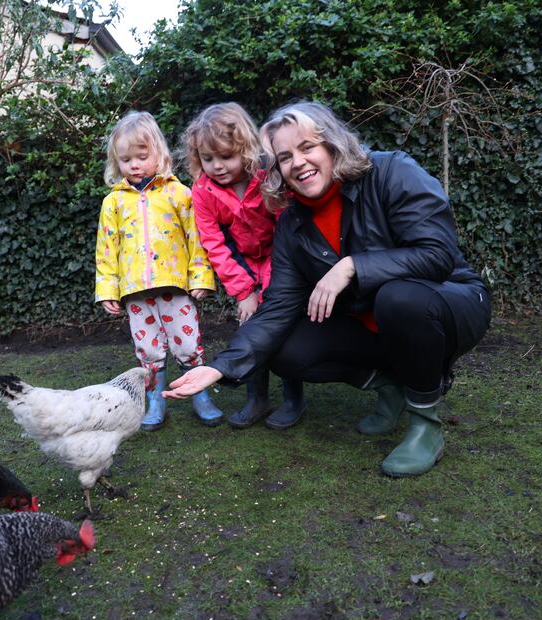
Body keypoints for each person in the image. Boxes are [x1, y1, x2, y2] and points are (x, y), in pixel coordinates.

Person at [163, 101, 491, 477]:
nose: (297, 162)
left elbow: (438, 255)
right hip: (372, 322)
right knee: (284, 349)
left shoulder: (391, 171)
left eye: (307, 147)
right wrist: (219, 368)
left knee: (399, 299)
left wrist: (351, 266)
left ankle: (425, 424)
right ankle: (392, 386)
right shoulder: (291, 223)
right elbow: (279, 306)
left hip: (448, 301)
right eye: (284, 157)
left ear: (332, 144)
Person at [95, 110, 223, 431]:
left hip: (175, 287)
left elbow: (197, 238)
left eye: (142, 155)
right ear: (117, 162)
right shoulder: (114, 203)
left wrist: (200, 278)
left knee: (187, 343)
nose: (134, 164)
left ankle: (200, 394)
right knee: (148, 349)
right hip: (136, 292)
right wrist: (107, 291)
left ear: (159, 154)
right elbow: (107, 249)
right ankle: (156, 399)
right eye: (126, 159)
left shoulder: (179, 193)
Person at [181, 102, 306, 430]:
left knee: (282, 324)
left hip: (282, 258)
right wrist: (244, 291)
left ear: (245, 148)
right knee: (250, 324)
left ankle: (293, 398)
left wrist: (274, 282)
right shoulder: (203, 192)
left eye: (226, 157)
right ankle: (258, 398)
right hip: (244, 267)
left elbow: (287, 226)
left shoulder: (267, 175)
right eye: (208, 159)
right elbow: (215, 244)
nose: (217, 166)